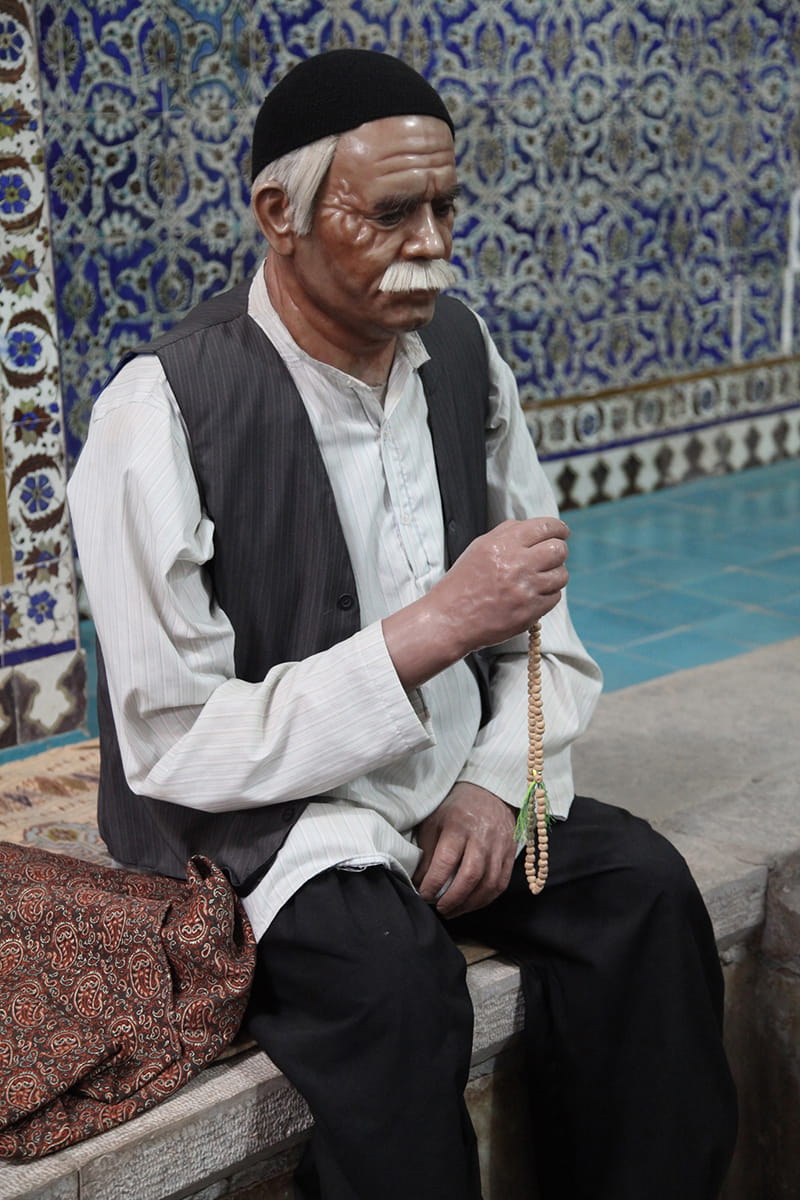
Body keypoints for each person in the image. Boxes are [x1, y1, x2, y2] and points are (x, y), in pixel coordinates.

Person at [68, 49, 737, 1200]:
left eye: (443, 208)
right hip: (263, 824)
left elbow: (538, 620)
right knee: (390, 986)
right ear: (276, 213)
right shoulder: (162, 409)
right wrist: (426, 633)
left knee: (639, 891)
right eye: (389, 213)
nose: (430, 241)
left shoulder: (462, 359)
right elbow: (172, 734)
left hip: (445, 783)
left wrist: (492, 781)